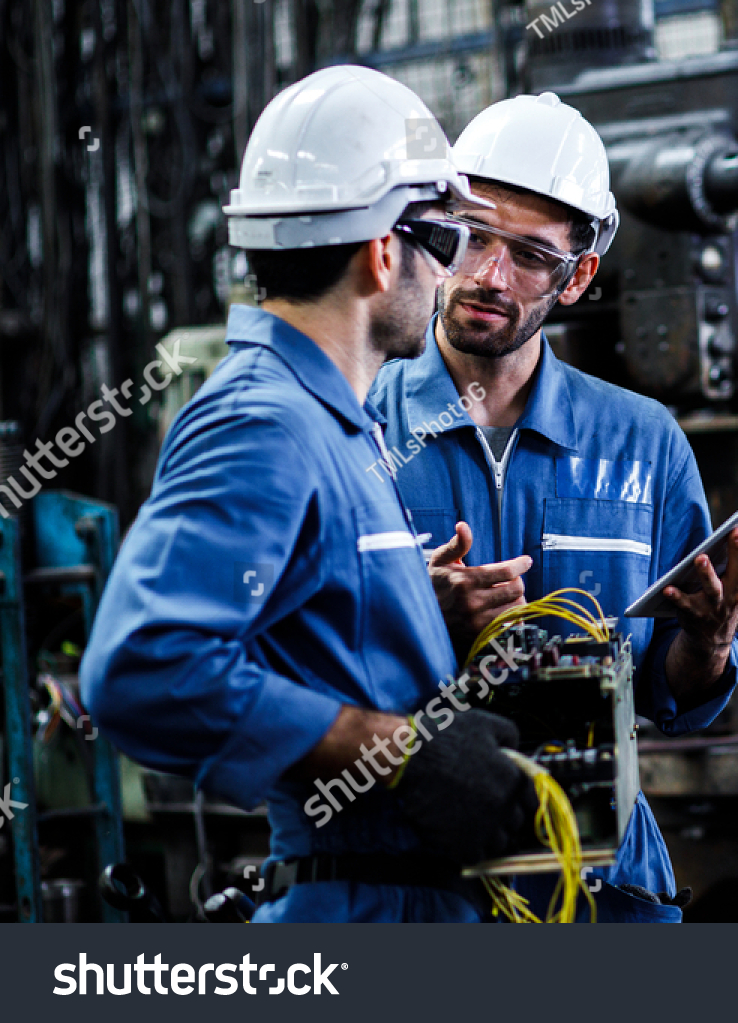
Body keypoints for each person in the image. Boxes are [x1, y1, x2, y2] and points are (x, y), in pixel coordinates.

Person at [81, 66, 541, 923]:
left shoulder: (338, 421)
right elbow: (142, 669)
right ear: (380, 251)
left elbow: (289, 626)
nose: (451, 275)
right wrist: (400, 748)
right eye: (444, 241)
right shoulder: (265, 423)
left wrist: (398, 615)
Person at [366, 91, 738, 922]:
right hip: (417, 881)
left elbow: (676, 697)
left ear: (578, 274)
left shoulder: (643, 444)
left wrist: (710, 638)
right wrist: (416, 615)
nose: (488, 276)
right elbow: (292, 663)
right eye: (475, 237)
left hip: (604, 886)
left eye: (528, 255)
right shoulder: (359, 424)